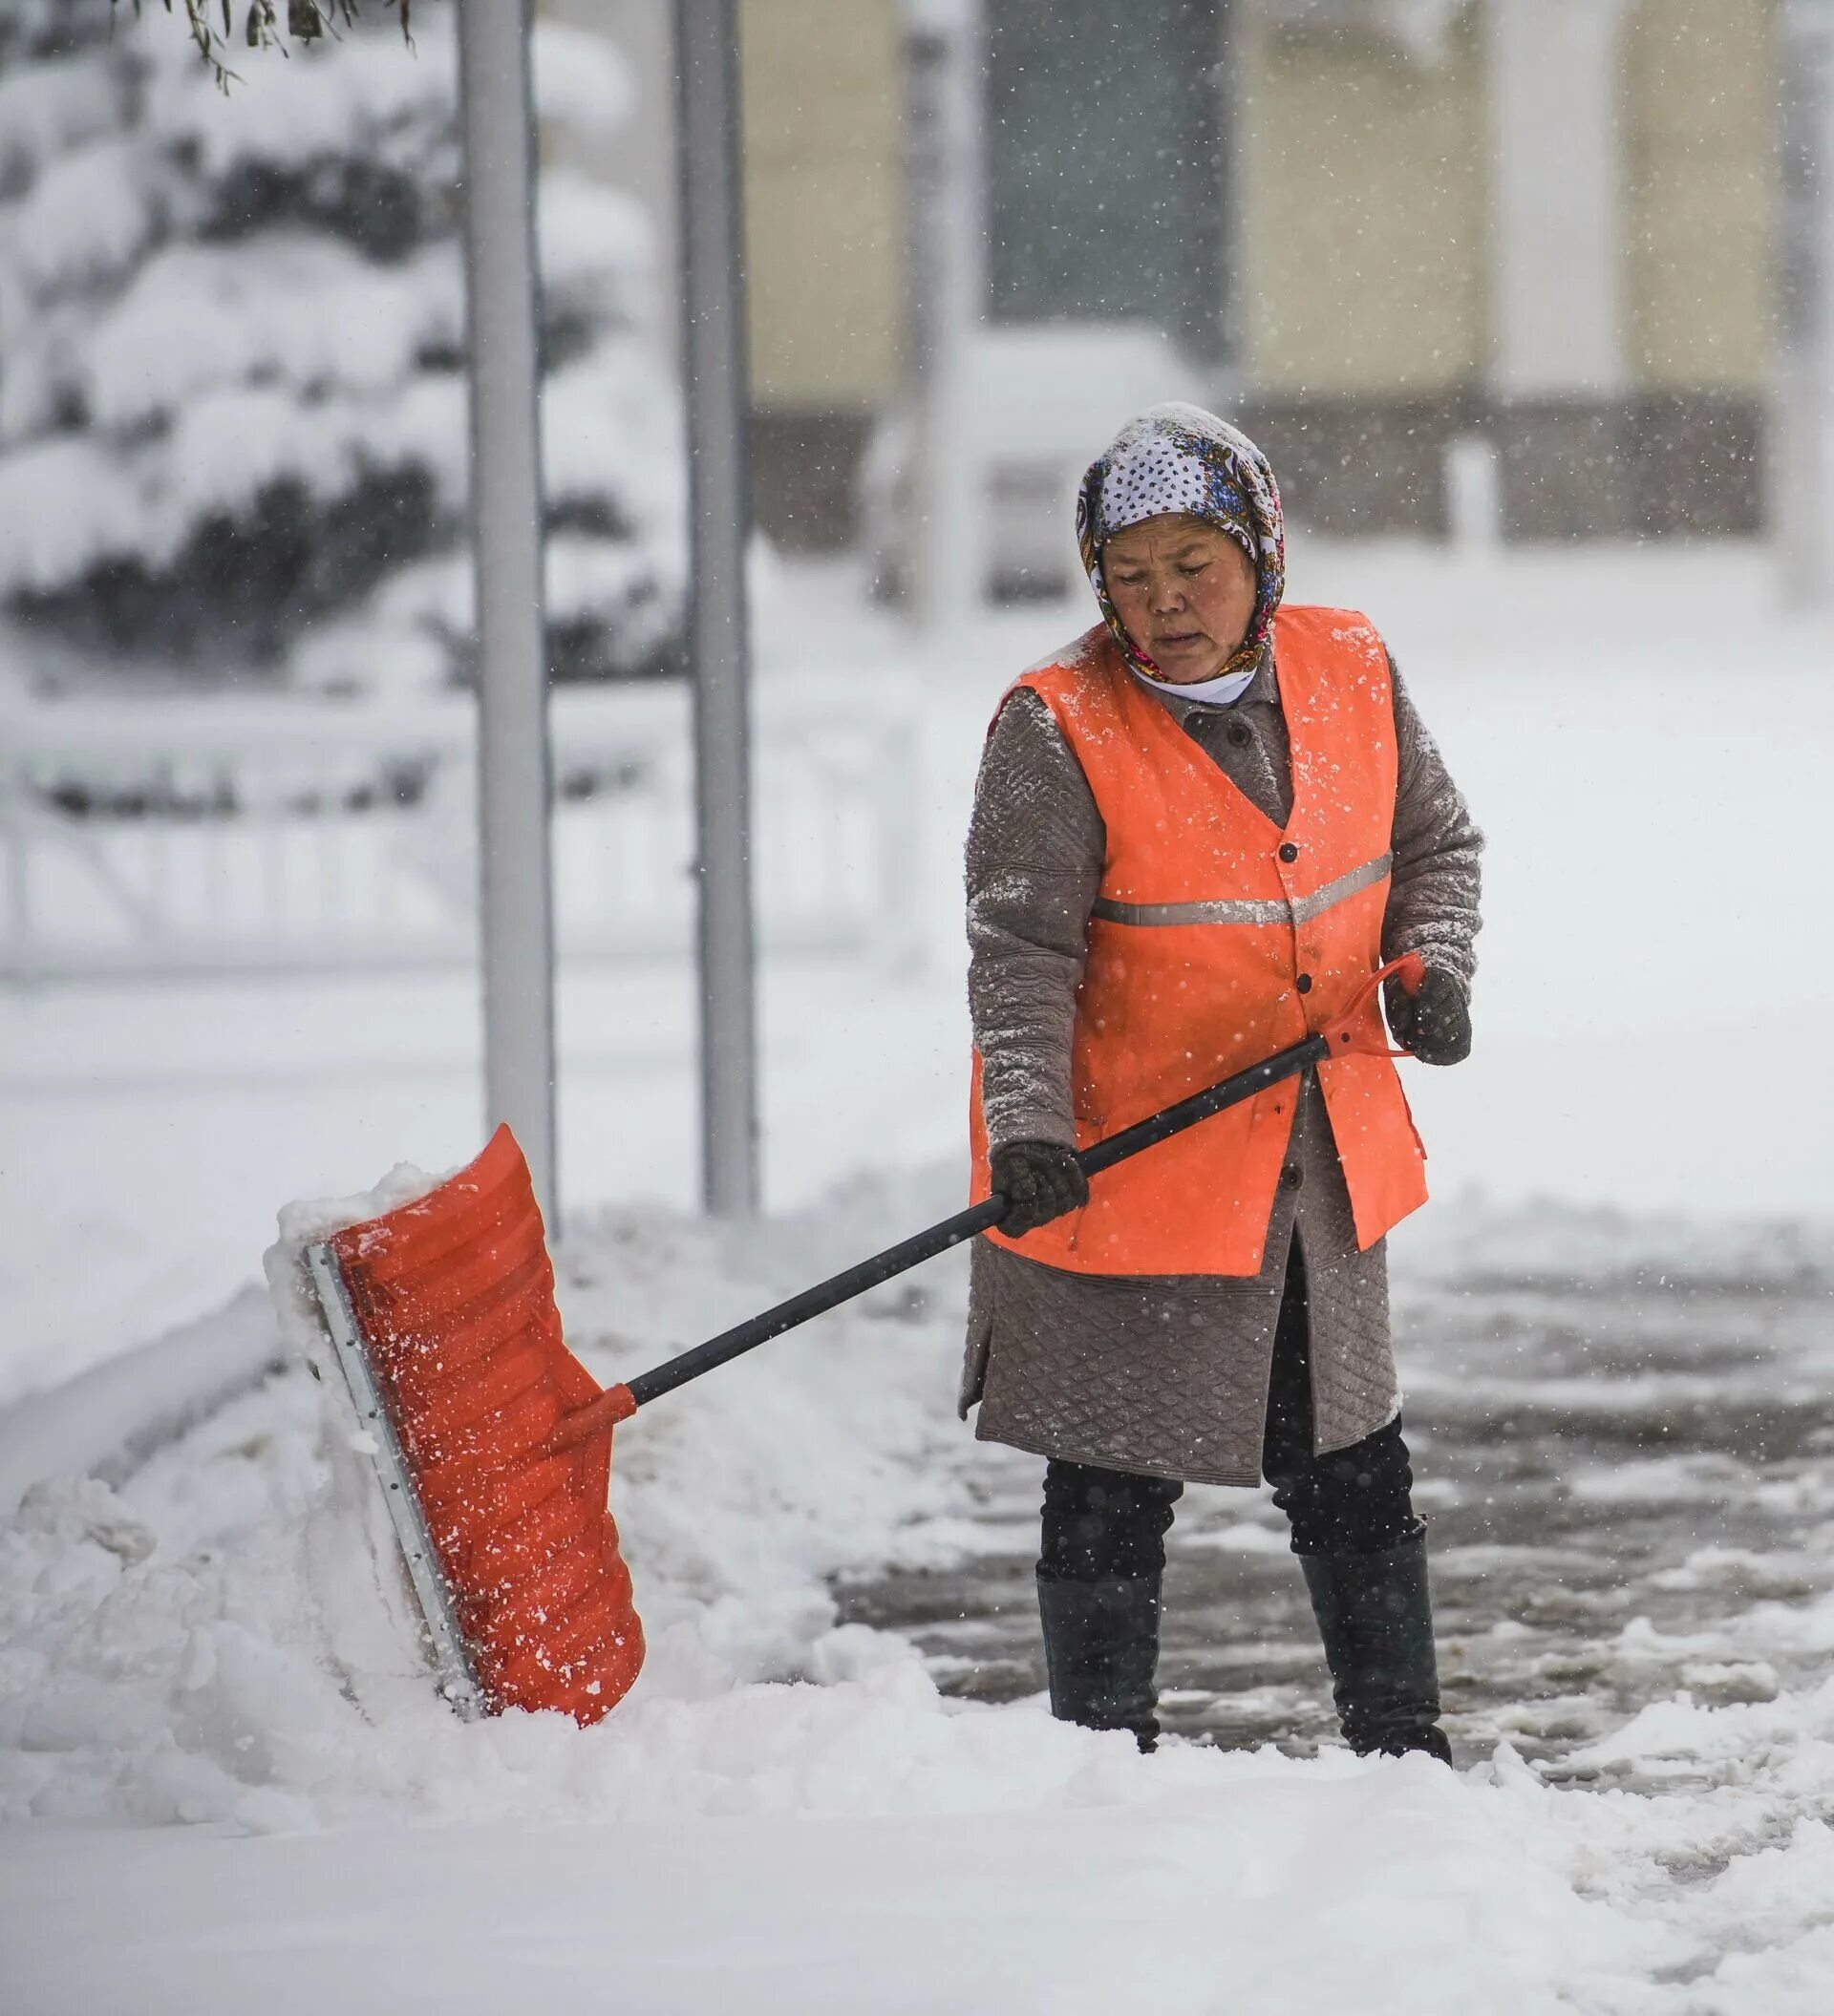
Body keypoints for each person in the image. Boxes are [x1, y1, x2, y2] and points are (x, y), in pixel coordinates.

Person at [960, 404, 1482, 1761]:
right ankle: (1099, 1770)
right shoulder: (1055, 724)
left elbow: (1437, 844)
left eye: (1196, 565)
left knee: (1357, 1470)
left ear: (1262, 552)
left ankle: (1404, 1759)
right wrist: (1027, 1127)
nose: (1166, 604)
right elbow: (1018, 958)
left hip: (1317, 1166)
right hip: (1127, 1166)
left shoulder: (1352, 665)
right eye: (1130, 577)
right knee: (1111, 1485)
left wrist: (1431, 964)